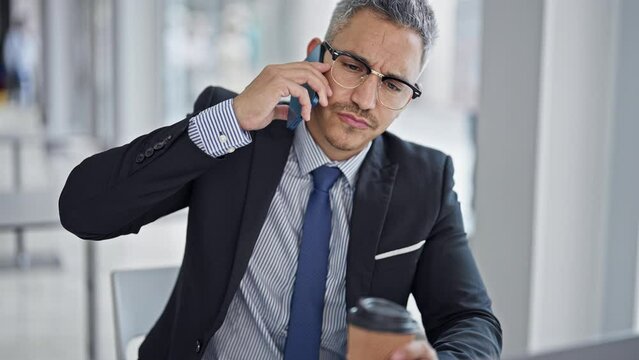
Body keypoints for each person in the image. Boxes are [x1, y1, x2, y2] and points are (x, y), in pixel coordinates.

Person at [59, 1, 502, 359]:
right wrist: (229, 120)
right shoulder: (237, 136)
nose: (366, 99)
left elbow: (470, 321)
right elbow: (84, 211)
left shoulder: (425, 179)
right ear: (316, 55)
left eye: (393, 85)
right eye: (353, 65)